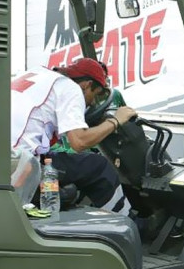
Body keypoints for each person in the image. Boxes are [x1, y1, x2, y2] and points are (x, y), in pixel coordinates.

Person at [10, 58, 137, 215]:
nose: (91, 104)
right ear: (87, 85)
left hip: (6, 155)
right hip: (23, 162)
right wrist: (116, 121)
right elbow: (79, 142)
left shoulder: (38, 74)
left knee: (77, 162)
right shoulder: (71, 88)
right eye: (94, 96)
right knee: (98, 165)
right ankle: (129, 221)